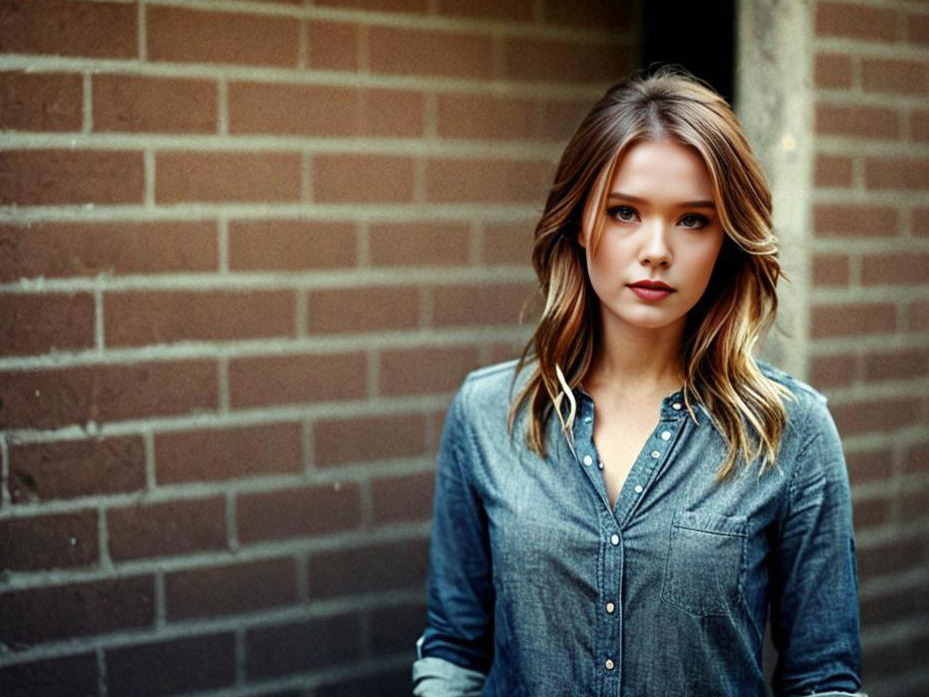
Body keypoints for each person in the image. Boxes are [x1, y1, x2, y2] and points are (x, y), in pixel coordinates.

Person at [412, 66, 865, 697]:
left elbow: (822, 679)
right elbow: (455, 651)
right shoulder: (489, 413)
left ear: (727, 240)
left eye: (693, 220)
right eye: (625, 212)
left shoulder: (792, 431)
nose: (656, 249)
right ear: (577, 221)